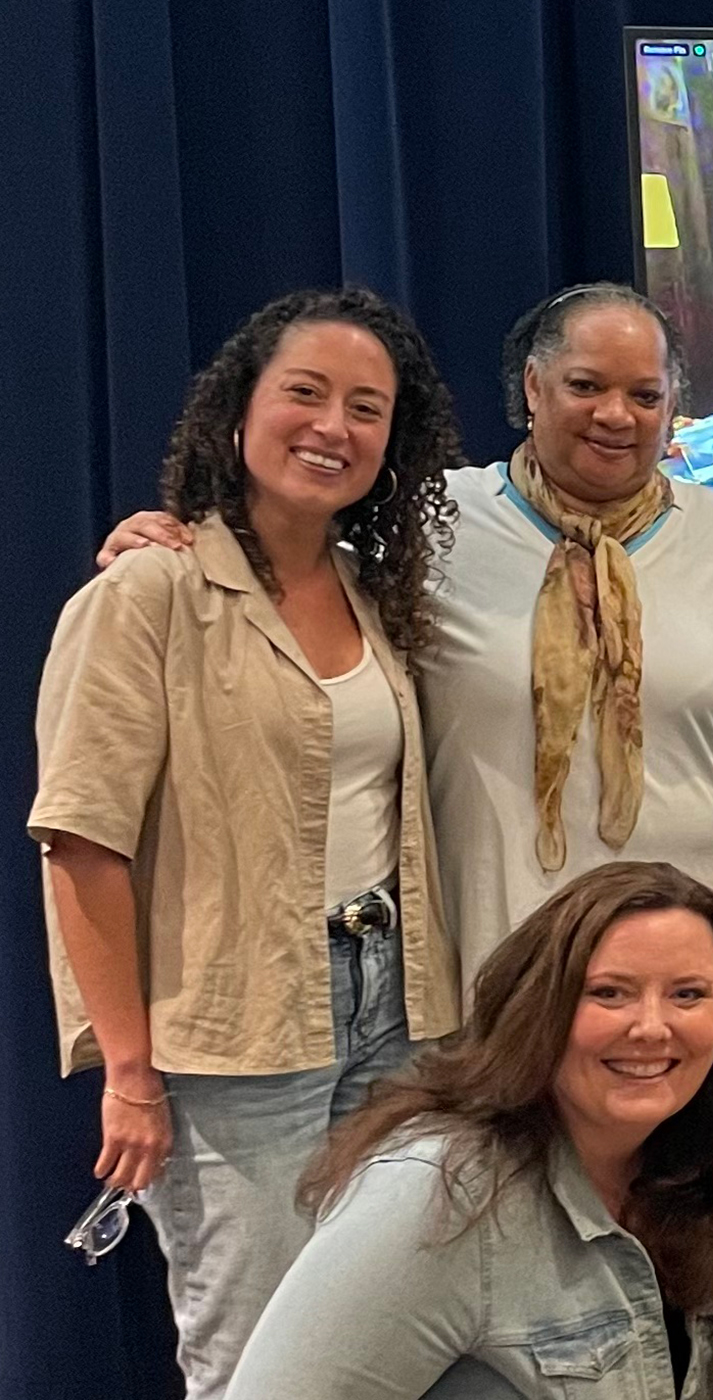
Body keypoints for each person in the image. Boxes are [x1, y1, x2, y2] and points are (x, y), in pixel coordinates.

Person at [100, 282, 713, 976]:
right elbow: (292, 578)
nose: (615, 414)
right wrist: (184, 548)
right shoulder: (431, 524)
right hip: (489, 983)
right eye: (586, 386)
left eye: (644, 395)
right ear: (534, 390)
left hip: (687, 989)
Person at [30, 287, 464, 1398]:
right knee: (255, 1354)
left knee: (374, 1327)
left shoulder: (376, 595)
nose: (334, 425)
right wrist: (128, 1071)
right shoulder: (150, 592)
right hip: (236, 1030)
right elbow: (81, 840)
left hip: (392, 1005)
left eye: (367, 408)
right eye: (305, 393)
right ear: (239, 414)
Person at [225, 861, 713, 1398]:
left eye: (688, 995)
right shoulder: (437, 1194)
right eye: (609, 993)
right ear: (539, 1008)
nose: (652, 1027)